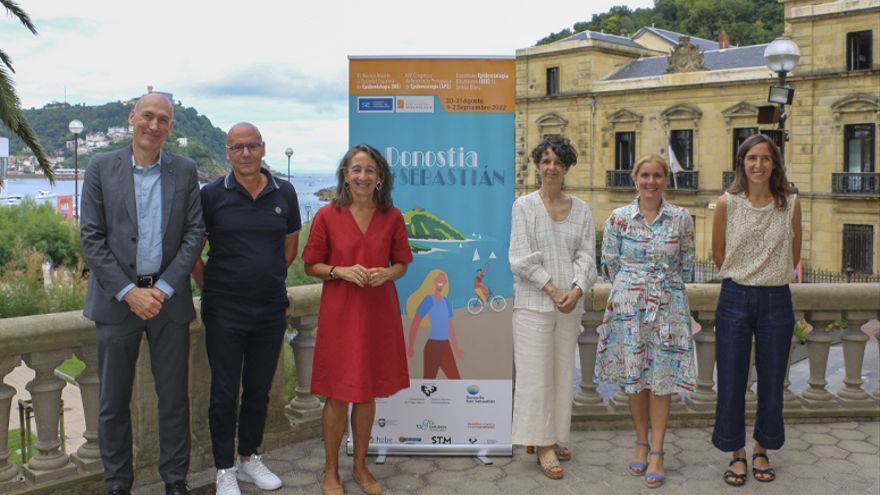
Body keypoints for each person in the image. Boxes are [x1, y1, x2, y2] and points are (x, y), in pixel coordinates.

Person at [80, 93, 204, 495]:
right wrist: (130, 292)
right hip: (117, 304)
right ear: (132, 117)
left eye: (163, 119)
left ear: (170, 126)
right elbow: (92, 238)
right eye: (147, 116)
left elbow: (193, 235)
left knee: (174, 400)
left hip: (169, 303)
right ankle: (117, 484)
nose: (154, 125)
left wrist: (163, 288)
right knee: (113, 403)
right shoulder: (100, 166)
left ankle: (175, 481)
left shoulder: (185, 171)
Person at [191, 123, 300, 495]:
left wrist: (265, 280)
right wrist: (216, 289)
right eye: (238, 147)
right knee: (223, 392)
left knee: (258, 389)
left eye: (252, 146)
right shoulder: (211, 195)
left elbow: (290, 247)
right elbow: (194, 251)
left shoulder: (284, 192)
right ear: (227, 152)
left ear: (263, 148)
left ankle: (249, 457)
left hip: (270, 308)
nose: (246, 153)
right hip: (224, 310)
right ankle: (224, 468)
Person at [302, 144, 412, 495]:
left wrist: (388, 274)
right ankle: (331, 471)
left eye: (369, 170)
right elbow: (310, 265)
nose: (362, 176)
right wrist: (340, 271)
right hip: (341, 313)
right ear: (345, 175)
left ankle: (361, 468)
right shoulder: (326, 216)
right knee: (337, 395)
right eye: (356, 169)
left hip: (378, 313)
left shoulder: (392, 216)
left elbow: (401, 263)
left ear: (380, 177)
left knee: (366, 394)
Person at [594, 154, 696, 488]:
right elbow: (609, 263)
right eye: (645, 175)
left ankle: (658, 450)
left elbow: (686, 263)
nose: (651, 182)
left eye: (657, 176)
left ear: (666, 180)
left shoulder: (681, 218)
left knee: (661, 378)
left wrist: (660, 288)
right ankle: (640, 441)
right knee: (635, 377)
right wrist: (634, 288)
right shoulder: (618, 219)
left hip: (668, 305)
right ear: (635, 179)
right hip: (629, 306)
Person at [711, 134, 801, 486]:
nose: (758, 165)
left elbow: (795, 252)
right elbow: (718, 253)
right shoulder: (727, 203)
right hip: (734, 297)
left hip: (776, 299)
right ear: (742, 163)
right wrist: (746, 274)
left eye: (765, 158)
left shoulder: (790, 203)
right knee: (731, 380)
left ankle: (762, 447)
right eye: (751, 158)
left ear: (774, 163)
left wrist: (769, 274)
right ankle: (736, 453)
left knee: (772, 379)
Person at [508, 135, 597, 480]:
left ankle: (556, 435)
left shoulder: (582, 210)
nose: (551, 167)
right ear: (538, 166)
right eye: (546, 161)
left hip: (569, 307)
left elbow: (587, 255)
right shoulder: (524, 206)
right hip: (533, 305)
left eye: (558, 162)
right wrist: (552, 288)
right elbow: (520, 256)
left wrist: (575, 290)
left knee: (561, 374)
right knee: (534, 378)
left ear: (566, 167)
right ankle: (542, 444)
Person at [406, 269, 464, 379]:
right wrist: (411, 345)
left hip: (445, 346)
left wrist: (456, 348)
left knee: (456, 380)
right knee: (428, 384)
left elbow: (450, 326)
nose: (442, 280)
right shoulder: (428, 300)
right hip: (433, 347)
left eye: (444, 279)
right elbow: (416, 322)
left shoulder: (446, 301)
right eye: (440, 278)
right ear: (434, 280)